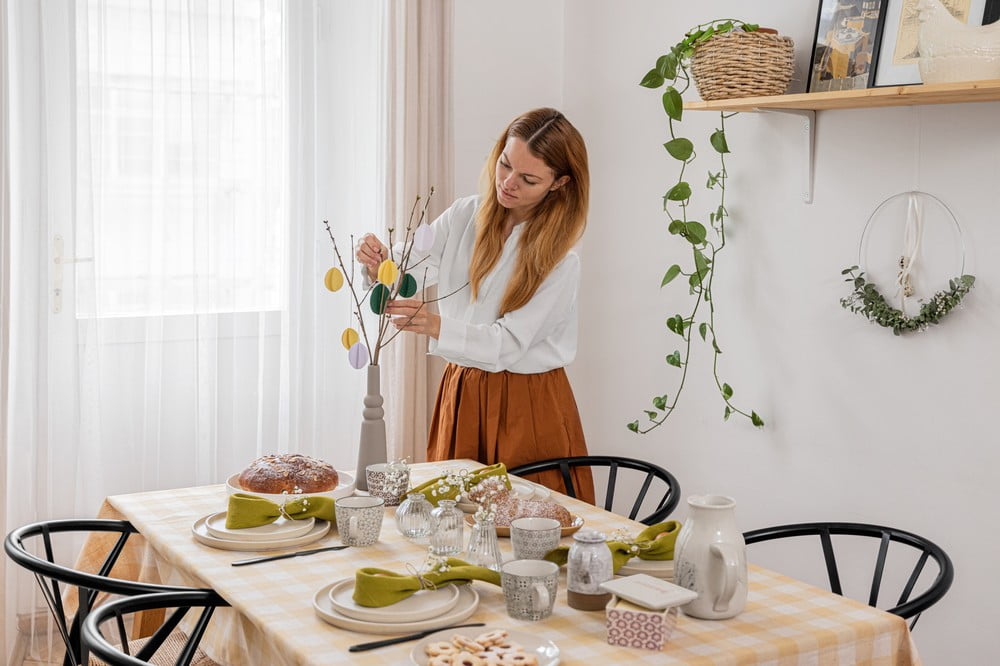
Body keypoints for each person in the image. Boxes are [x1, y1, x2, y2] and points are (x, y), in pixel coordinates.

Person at [355, 107, 594, 504]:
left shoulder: (560, 261)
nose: (508, 183)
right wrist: (378, 261)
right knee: (449, 523)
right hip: (462, 388)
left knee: (529, 529)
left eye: (528, 179)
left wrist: (435, 325)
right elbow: (408, 266)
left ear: (560, 183)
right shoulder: (466, 214)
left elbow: (507, 344)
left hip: (528, 404)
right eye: (505, 164)